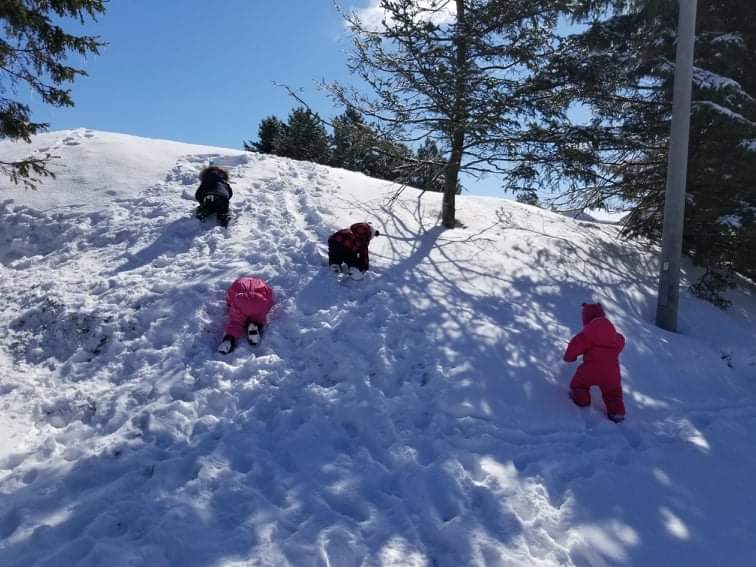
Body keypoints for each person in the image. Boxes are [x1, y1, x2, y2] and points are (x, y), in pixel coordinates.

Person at [563, 302, 626, 422]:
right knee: (613, 392)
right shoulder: (613, 334)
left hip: (590, 370)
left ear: (585, 319)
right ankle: (617, 412)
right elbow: (621, 341)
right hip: (611, 372)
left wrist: (569, 358)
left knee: (579, 384)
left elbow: (574, 346)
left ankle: (582, 400)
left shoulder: (586, 334)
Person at [218, 277, 274, 354]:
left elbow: (230, 295)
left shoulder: (238, 282)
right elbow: (270, 296)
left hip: (241, 300)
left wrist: (230, 305)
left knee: (236, 322)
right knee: (258, 317)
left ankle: (229, 339)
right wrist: (267, 306)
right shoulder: (262, 284)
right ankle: (255, 325)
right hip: (259, 300)